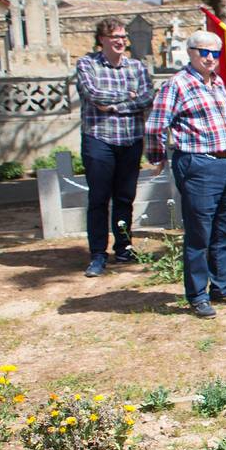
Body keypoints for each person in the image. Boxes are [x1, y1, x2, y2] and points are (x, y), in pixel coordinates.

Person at [145, 31, 226, 318]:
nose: (209, 58)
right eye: (203, 52)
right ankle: (197, 294)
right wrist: (156, 158)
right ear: (190, 52)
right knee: (199, 232)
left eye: (215, 53)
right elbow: (156, 125)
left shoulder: (218, 84)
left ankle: (224, 286)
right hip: (198, 163)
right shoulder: (177, 85)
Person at [75, 18, 155, 277]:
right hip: (99, 139)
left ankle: (124, 246)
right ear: (102, 40)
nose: (120, 41)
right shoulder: (87, 64)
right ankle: (98, 254)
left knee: (125, 197)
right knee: (99, 198)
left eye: (123, 36)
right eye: (114, 37)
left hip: (130, 140)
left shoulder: (137, 68)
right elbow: (94, 95)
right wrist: (127, 96)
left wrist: (115, 106)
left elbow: (146, 97)